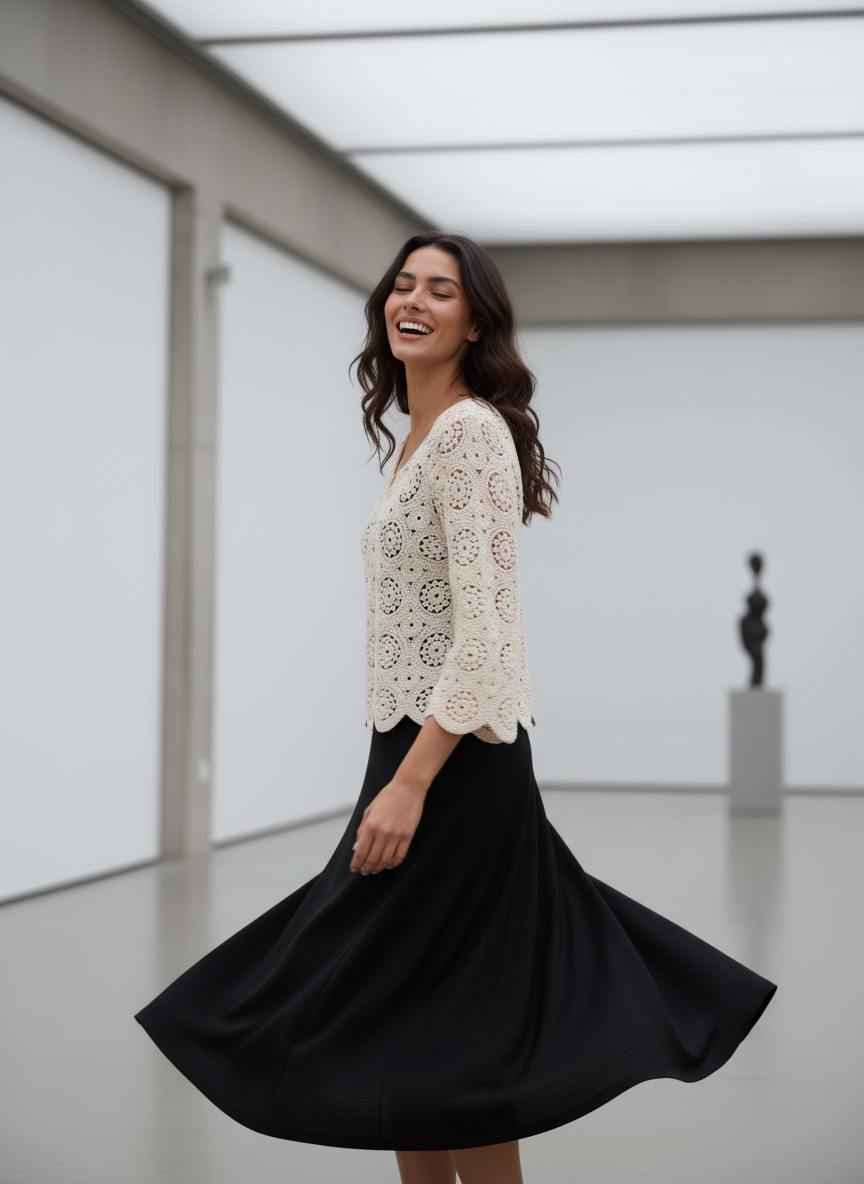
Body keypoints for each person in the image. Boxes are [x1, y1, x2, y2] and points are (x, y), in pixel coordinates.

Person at [136, 233, 776, 1184]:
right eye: (403, 284)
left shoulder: (471, 434)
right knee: (409, 1023)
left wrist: (409, 785)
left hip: (452, 765)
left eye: (442, 290)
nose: (416, 300)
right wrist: (392, 772)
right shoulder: (417, 443)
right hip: (409, 750)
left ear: (474, 320)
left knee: (457, 1041)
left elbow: (485, 635)